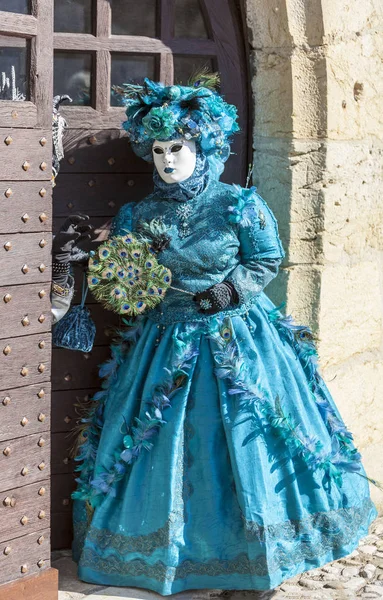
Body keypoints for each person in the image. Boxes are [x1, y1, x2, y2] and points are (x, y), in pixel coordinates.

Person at [60, 75, 378, 595]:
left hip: (239, 340)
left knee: (245, 435)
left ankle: (255, 558)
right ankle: (173, 557)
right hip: (164, 342)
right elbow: (123, 274)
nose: (166, 160)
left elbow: (266, 259)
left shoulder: (237, 204)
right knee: (163, 442)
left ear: (204, 146)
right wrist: (127, 280)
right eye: (158, 150)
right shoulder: (136, 214)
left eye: (177, 148)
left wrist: (224, 295)